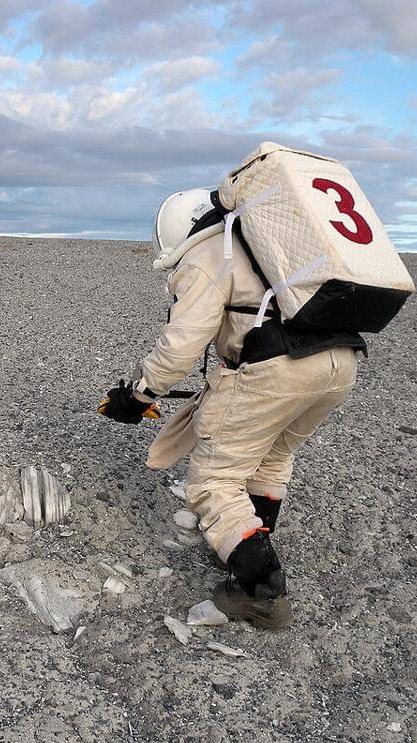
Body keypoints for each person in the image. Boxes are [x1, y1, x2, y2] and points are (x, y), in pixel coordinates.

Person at [98, 188, 366, 629]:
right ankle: (250, 540)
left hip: (277, 369)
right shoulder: (269, 245)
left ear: (178, 229)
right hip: (340, 363)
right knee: (272, 455)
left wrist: (139, 395)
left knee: (214, 479)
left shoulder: (209, 253)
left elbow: (182, 343)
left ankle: (259, 592)